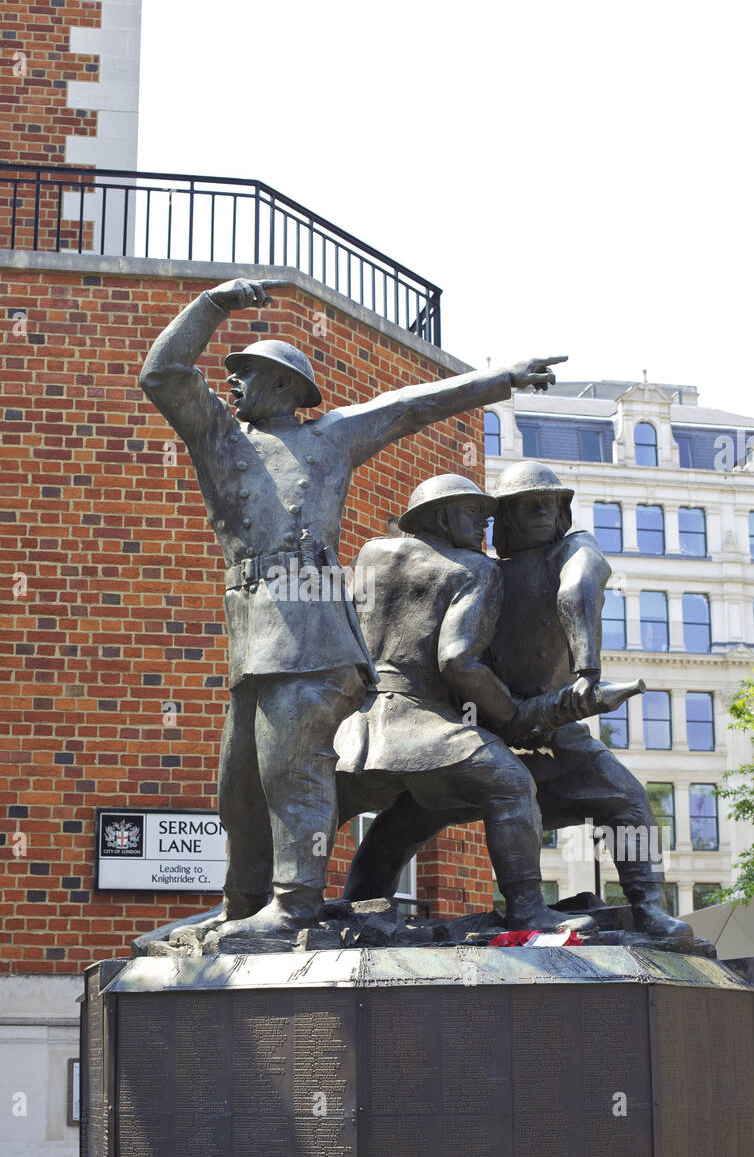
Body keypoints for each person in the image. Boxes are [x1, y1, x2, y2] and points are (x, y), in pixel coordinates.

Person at [138, 275, 565, 941]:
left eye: (248, 373)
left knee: (296, 770)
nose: (233, 383)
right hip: (253, 636)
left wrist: (498, 379)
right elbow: (162, 373)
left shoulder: (329, 438)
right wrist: (213, 304)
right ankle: (243, 907)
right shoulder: (221, 437)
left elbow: (408, 406)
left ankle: (294, 905)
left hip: (311, 639)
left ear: (287, 389)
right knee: (240, 790)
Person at [335, 474, 640, 929]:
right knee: (504, 788)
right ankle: (527, 909)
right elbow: (458, 659)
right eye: (474, 514)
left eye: (488, 516)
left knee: (389, 824)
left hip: (360, 727)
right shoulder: (476, 569)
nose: (484, 525)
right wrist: (513, 713)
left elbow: (579, 586)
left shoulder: (371, 554)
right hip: (434, 724)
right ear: (441, 516)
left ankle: (314, 905)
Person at [485, 460, 691, 939]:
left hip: (557, 730)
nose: (540, 510)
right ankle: (348, 898)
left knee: (626, 798)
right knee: (401, 824)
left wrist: (587, 671)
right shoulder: (485, 571)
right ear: (505, 518)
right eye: (526, 505)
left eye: (549, 502)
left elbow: (580, 585)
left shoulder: (574, 549)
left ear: (563, 510)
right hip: (482, 727)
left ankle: (649, 910)